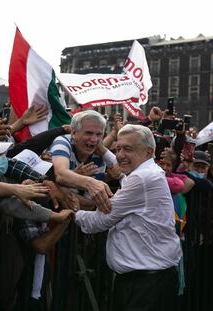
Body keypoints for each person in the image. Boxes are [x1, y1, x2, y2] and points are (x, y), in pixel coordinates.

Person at [74, 124, 181, 311]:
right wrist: (102, 148)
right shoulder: (144, 172)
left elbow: (100, 222)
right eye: (118, 148)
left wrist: (72, 209)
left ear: (148, 152)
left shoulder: (142, 178)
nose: (120, 154)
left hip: (145, 288)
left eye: (128, 149)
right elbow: (120, 171)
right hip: (147, 282)